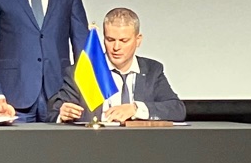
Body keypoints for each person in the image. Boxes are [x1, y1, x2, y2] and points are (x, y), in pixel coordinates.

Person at [52, 7, 187, 123]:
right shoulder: (85, 71)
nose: (116, 47)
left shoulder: (152, 70)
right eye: (110, 40)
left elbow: (177, 110)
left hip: (141, 143)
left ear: (138, 40)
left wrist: (135, 109)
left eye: (124, 40)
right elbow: (52, 113)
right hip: (94, 143)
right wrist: (62, 114)